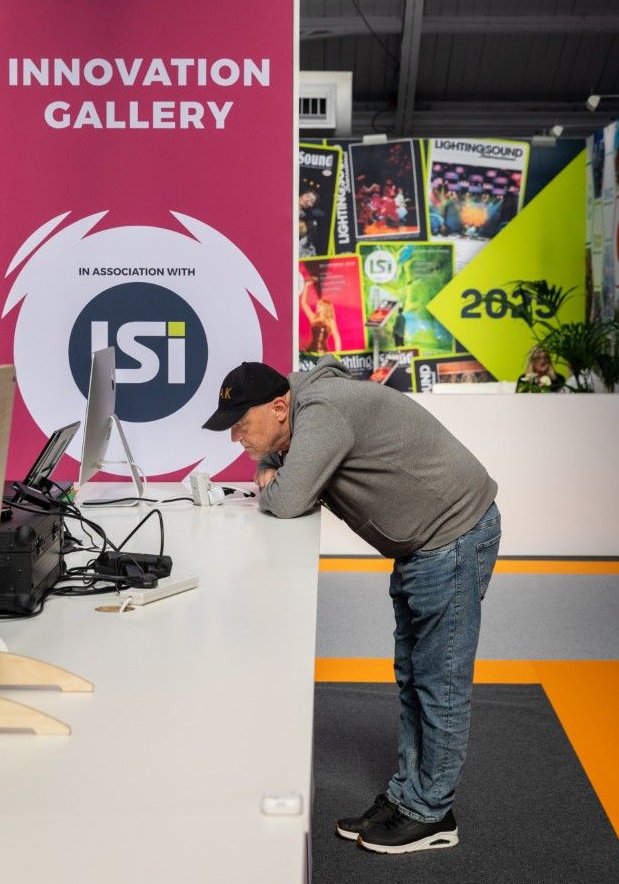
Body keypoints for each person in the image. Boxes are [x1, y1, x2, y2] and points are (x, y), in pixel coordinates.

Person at [202, 356, 500, 856]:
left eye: (240, 426)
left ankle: (432, 814)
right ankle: (410, 796)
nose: (236, 439)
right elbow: (277, 466)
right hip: (424, 542)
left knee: (439, 683)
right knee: (413, 677)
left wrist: (278, 477)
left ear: (278, 408)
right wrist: (274, 466)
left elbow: (291, 495)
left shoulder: (322, 415)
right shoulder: (295, 406)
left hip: (452, 535)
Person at [300, 278, 342, 354]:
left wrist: (338, 355)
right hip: (310, 350)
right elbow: (303, 303)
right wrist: (306, 286)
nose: (317, 306)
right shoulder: (313, 318)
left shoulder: (330, 321)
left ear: (325, 307)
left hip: (322, 351)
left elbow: (337, 338)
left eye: (319, 305)